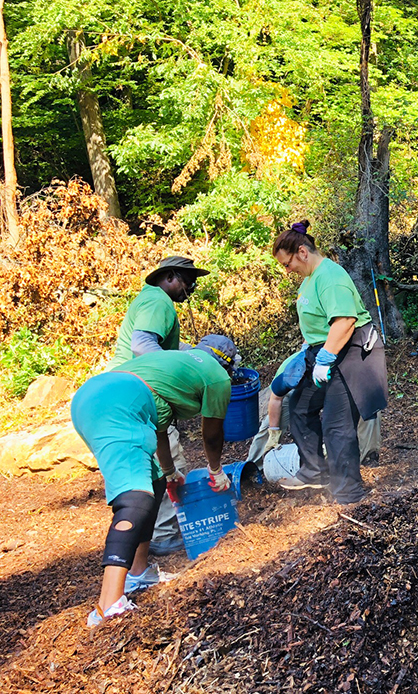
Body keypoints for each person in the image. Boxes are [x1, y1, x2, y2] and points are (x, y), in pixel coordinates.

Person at [71, 335, 237, 627]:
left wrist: (170, 472)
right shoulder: (218, 378)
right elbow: (212, 433)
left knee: (155, 482)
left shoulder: (176, 365)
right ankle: (109, 604)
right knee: (136, 497)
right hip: (118, 405)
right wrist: (216, 470)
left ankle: (138, 573)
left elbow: (159, 427)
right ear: (228, 364)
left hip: (95, 396)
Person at [271, 221, 388, 504]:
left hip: (350, 354)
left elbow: (345, 321)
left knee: (337, 425)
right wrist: (309, 351)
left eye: (287, 264)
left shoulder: (330, 276)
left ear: (302, 252)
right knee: (300, 406)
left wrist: (325, 358)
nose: (287, 271)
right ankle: (313, 472)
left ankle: (349, 494)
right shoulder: (310, 279)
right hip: (324, 352)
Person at [108, 256, 211, 557]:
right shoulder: (159, 302)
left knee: (148, 462)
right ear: (168, 277)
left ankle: (149, 533)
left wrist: (195, 353)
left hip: (123, 388)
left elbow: (162, 345)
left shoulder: (151, 300)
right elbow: (142, 345)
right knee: (169, 459)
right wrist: (177, 371)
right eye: (187, 281)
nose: (191, 288)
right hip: (138, 388)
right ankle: (164, 533)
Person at [245, 347, 306, 466]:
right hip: (292, 389)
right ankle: (252, 466)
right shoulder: (285, 375)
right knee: (269, 426)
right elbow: (276, 399)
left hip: (326, 381)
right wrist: (273, 433)